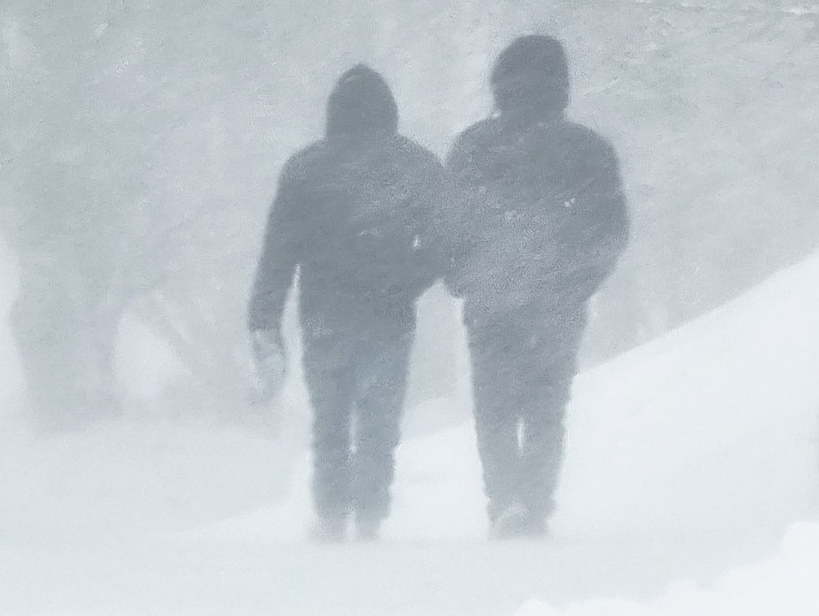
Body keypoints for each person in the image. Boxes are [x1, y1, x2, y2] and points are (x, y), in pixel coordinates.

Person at [248, 65, 447, 541]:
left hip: (325, 315)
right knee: (379, 419)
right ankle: (371, 514)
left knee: (330, 419)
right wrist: (407, 280)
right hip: (389, 316)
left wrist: (264, 318)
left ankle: (332, 511)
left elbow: (278, 253)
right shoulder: (415, 165)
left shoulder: (305, 169)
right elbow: (445, 241)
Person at [444, 34, 627, 538]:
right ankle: (537, 503)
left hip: (491, 297)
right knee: (547, 407)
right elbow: (611, 230)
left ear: (500, 82)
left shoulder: (474, 147)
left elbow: (447, 221)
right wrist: (581, 282)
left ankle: (504, 499)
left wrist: (460, 276)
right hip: (557, 301)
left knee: (495, 408)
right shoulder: (588, 150)